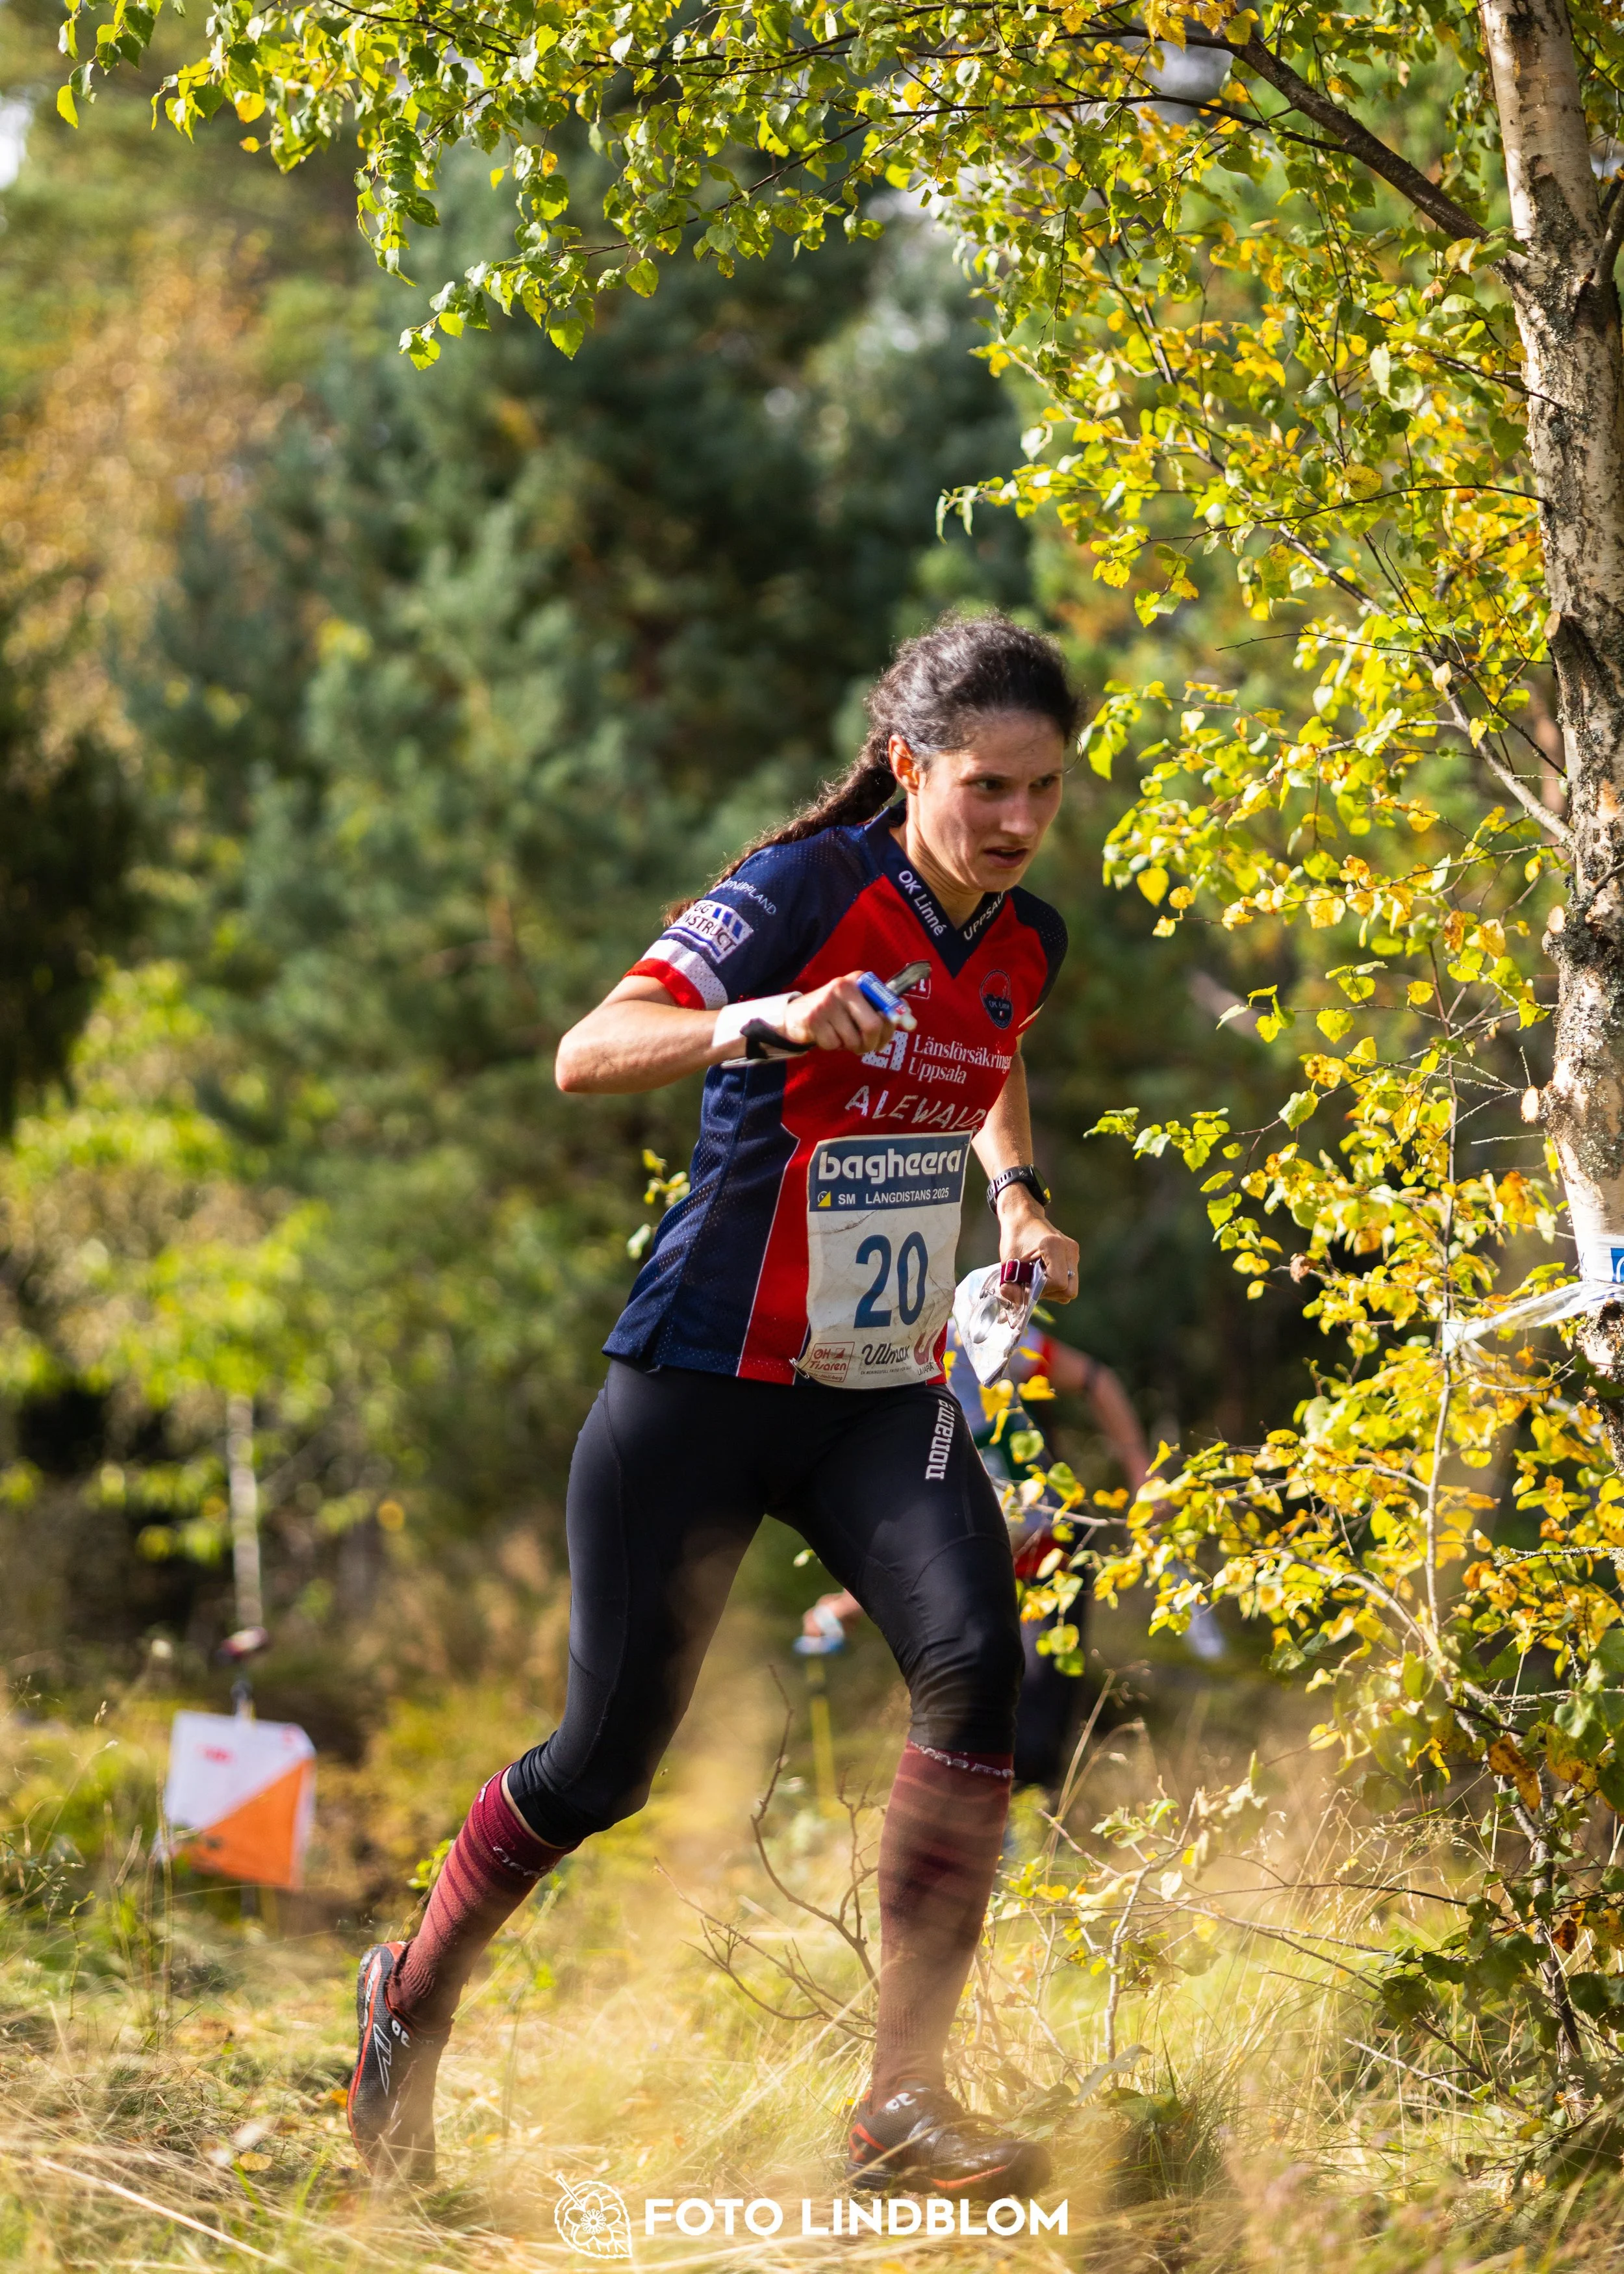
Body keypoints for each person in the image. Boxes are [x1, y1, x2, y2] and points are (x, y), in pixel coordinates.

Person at [346, 611, 1082, 2199]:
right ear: (907, 767)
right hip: (698, 1382)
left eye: (1044, 792)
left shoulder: (1025, 937)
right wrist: (763, 1019)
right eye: (986, 789)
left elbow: (992, 1040)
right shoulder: (802, 895)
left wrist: (1017, 1201)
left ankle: (900, 2104)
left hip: (881, 1391)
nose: (1019, 824)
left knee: (976, 1669)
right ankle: (408, 2001)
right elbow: (584, 1049)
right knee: (603, 1767)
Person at [804, 1322, 1149, 1795]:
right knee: (967, 1714)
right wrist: (849, 1600)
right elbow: (906, 1521)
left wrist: (1142, 1477)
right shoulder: (875, 1382)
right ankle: (979, 1847)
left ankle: (1032, 1847)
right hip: (974, 1573)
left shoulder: (969, 1336)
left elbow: (1095, 1379)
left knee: (1034, 1739)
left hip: (1051, 1561)